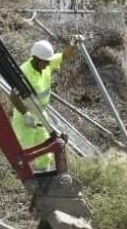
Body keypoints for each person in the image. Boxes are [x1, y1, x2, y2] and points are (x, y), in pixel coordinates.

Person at [10, 39, 77, 175]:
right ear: (36, 59)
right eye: (45, 62)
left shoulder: (46, 62)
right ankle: (22, 181)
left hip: (41, 116)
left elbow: (64, 56)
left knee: (46, 152)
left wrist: (74, 44)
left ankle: (44, 182)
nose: (48, 65)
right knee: (25, 153)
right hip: (25, 119)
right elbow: (13, 96)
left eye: (48, 62)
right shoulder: (23, 73)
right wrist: (26, 115)